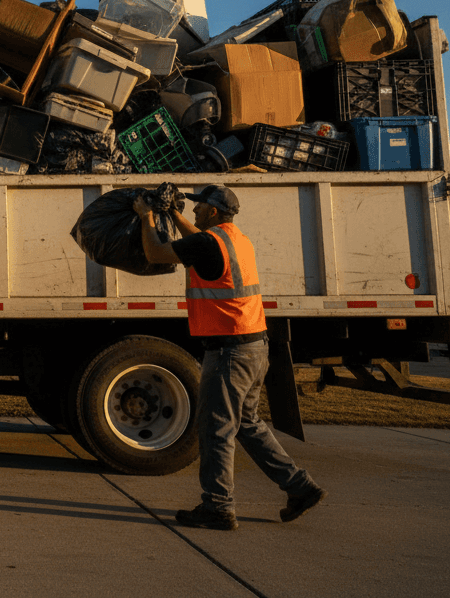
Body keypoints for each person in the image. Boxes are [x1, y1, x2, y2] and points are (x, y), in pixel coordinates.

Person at [132, 184, 325, 531]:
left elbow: (156, 254)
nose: (194, 210)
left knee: (215, 428)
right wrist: (174, 213)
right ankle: (300, 487)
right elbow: (195, 243)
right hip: (254, 346)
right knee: (247, 424)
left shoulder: (209, 243)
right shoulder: (235, 239)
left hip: (229, 352)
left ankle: (218, 507)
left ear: (214, 212)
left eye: (199, 206)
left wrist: (147, 217)